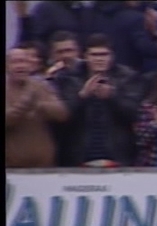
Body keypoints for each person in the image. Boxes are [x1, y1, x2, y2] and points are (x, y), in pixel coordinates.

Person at [53, 33, 142, 167]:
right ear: (85, 57)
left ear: (112, 56)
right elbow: (61, 117)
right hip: (78, 155)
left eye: (104, 54)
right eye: (94, 55)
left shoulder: (127, 78)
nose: (99, 59)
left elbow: (135, 114)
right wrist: (82, 96)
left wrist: (112, 97)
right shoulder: (68, 79)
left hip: (118, 155)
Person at [6, 48, 69, 168]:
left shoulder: (40, 86)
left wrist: (40, 106)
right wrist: (24, 105)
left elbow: (62, 114)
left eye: (24, 62)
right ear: (7, 66)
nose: (21, 66)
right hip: (12, 168)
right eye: (15, 62)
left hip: (44, 166)